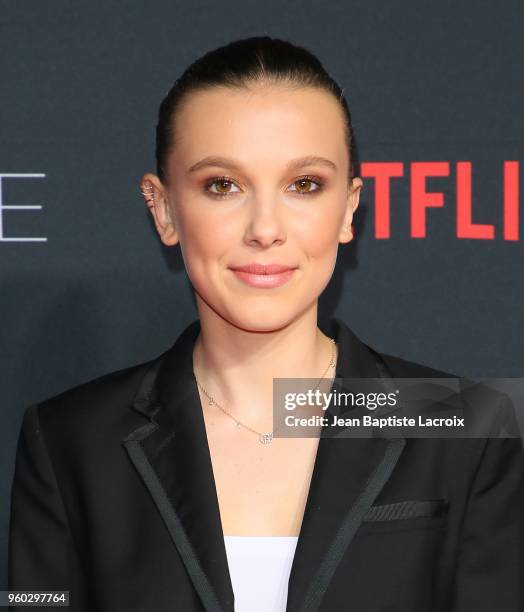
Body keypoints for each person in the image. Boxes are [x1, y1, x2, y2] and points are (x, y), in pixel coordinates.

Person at [8, 36, 524, 612]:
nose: (265, 228)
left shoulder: (459, 422)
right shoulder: (71, 440)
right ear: (164, 209)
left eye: (304, 184)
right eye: (222, 185)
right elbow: (35, 601)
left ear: (350, 208)